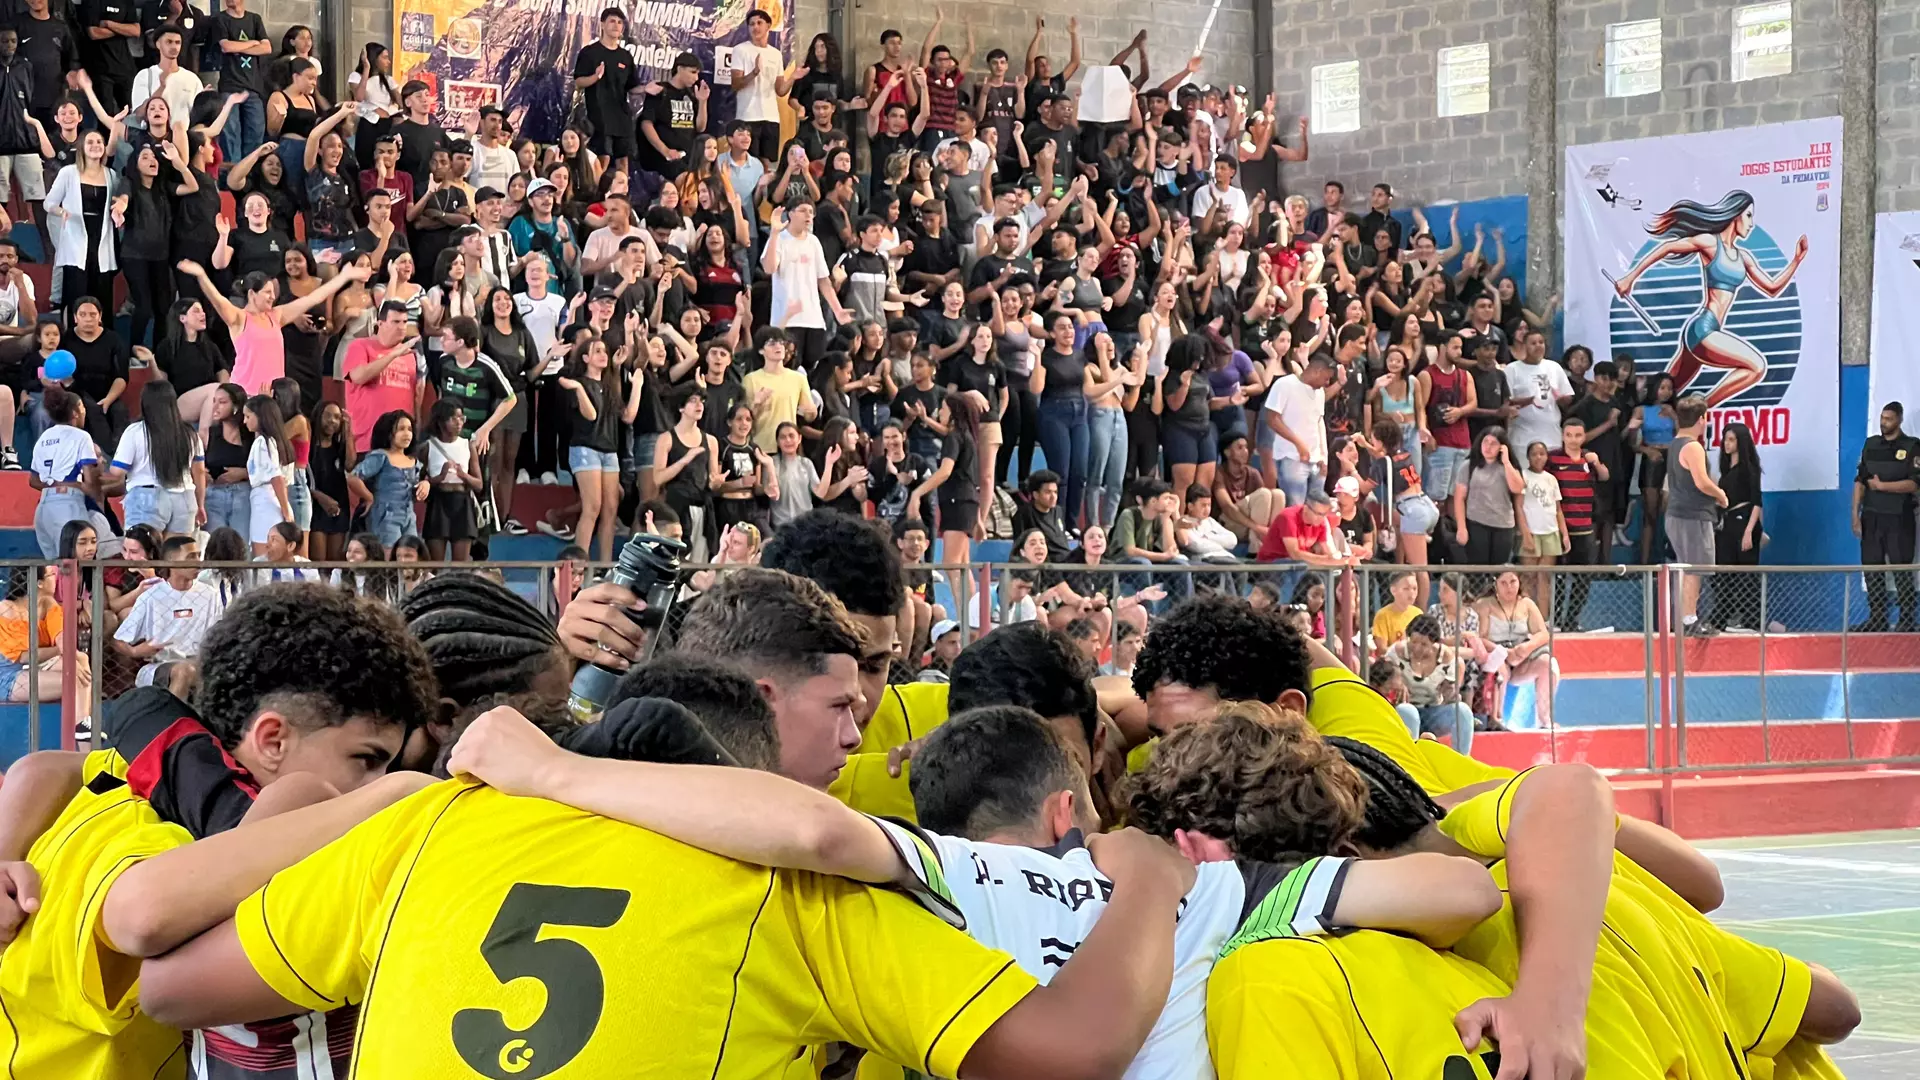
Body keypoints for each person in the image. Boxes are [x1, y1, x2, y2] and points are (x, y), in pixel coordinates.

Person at [1612, 191, 1808, 408]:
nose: (1752, 224)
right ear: (1736, 215)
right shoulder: (1711, 243)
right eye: (1749, 216)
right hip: (1703, 329)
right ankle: (1699, 408)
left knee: (1664, 392)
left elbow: (1772, 288)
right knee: (1757, 366)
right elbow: (1668, 247)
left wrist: (1797, 260)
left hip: (1706, 331)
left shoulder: (1744, 257)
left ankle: (1653, 416)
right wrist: (1630, 278)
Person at [177, 260, 370, 396]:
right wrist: (201, 275)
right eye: (267, 292)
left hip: (275, 395)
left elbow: (314, 298)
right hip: (246, 395)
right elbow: (217, 299)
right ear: (252, 294)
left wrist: (345, 276)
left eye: (273, 292)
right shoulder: (238, 318)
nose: (272, 296)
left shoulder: (276, 316)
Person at [111, 532, 220, 684]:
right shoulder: (151, 597)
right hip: (161, 666)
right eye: (190, 557)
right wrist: (134, 651)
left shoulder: (210, 594)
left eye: (198, 555)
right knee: (184, 672)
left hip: (200, 663)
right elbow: (118, 641)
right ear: (171, 561)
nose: (198, 562)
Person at [1853, 401, 1918, 632]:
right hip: (1872, 517)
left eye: (1888, 419)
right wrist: (1855, 514)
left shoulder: (1912, 446)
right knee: (1872, 569)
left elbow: (1914, 484)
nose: (1883, 423)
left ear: (1899, 420)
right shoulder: (1871, 445)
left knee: (1902, 569)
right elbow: (1860, 481)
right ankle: (1877, 618)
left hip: (1900, 518)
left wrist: (1882, 486)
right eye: (1882, 418)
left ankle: (1907, 620)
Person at [1666, 393, 1727, 633]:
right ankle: (1689, 620)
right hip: (1691, 515)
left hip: (1678, 514)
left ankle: (1686, 617)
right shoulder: (1692, 446)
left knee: (1688, 567)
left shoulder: (1674, 444)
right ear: (1702, 418)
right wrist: (1720, 494)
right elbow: (1702, 482)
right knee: (1695, 568)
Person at [109, 379, 201, 535]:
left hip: (146, 497)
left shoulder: (135, 431)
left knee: (142, 555)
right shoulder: (190, 434)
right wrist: (201, 504)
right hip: (185, 498)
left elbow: (117, 471)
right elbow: (199, 472)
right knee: (178, 555)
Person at [1547, 415, 1609, 633]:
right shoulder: (1552, 458)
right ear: (1562, 435)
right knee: (1559, 577)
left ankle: (1572, 620)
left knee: (1583, 578)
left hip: (1586, 527)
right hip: (1559, 528)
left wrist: (1596, 462)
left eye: (1578, 435)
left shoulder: (1588, 458)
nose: (1573, 439)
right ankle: (1555, 620)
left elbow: (1605, 476)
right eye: (1569, 435)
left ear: (1584, 437)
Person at [26, 386, 96, 557]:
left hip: (43, 509)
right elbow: (91, 482)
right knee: (75, 564)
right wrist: (77, 485)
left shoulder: (44, 437)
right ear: (75, 412)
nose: (84, 412)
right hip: (68, 505)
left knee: (54, 569)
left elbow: (33, 481)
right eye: (82, 407)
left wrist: (54, 484)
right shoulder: (81, 436)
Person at [572, 7, 640, 176]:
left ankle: (621, 197)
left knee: (623, 161)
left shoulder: (626, 56)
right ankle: (597, 197)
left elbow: (632, 86)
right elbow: (579, 81)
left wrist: (648, 88)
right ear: (602, 24)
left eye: (620, 22)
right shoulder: (589, 52)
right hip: (599, 115)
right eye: (612, 21)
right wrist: (595, 77)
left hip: (621, 117)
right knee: (603, 159)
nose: (616, 25)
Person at [1263, 351, 1334, 507]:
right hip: (1290, 457)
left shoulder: (1320, 393)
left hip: (1317, 460)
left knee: (1316, 509)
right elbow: (1272, 419)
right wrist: (1298, 443)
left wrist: (1324, 456)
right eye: (1326, 378)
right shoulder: (1284, 384)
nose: (1327, 383)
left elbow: (1319, 422)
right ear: (1317, 371)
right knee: (1295, 508)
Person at [1715, 421, 1764, 633]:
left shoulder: (1748, 469)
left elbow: (1757, 502)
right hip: (1728, 523)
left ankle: (1751, 618)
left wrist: (1749, 532)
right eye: (1725, 438)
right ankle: (1722, 617)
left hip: (1745, 521)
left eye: (1732, 439)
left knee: (1747, 575)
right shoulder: (1726, 471)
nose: (1727, 443)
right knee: (1724, 573)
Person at [1451, 427, 1523, 568]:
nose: (1488, 447)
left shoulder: (1509, 467)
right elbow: (1459, 498)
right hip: (1476, 523)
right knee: (1477, 569)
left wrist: (1507, 462)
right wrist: (1461, 527)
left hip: (1503, 525)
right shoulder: (1469, 465)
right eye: (1486, 442)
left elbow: (1518, 488)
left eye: (1493, 443)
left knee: (1499, 570)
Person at [1517, 440, 1565, 617]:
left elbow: (1558, 509)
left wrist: (1564, 535)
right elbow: (1519, 507)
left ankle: (1544, 620)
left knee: (1544, 578)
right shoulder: (1522, 476)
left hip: (1550, 532)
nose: (1538, 457)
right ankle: (1526, 619)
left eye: (1542, 454)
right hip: (1531, 532)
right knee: (1528, 578)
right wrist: (1525, 533)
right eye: (1534, 454)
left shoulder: (1551, 479)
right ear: (1528, 457)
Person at [1370, 569, 1423, 657]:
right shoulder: (1383, 615)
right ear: (1393, 590)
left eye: (1415, 588)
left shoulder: (1418, 613)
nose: (1412, 593)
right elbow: (1382, 649)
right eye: (1406, 589)